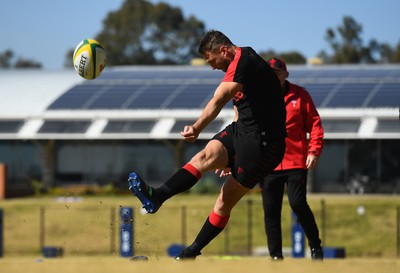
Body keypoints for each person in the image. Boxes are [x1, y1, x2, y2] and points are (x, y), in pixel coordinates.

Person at [127, 30, 287, 260]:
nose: (212, 67)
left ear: (223, 50)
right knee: (204, 157)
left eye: (211, 61)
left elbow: (219, 99)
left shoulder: (245, 61)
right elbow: (239, 108)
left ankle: (190, 253)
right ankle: (157, 196)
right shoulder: (241, 65)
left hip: (265, 144)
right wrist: (231, 153)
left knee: (224, 199)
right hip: (242, 130)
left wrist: (197, 128)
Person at [260, 58, 324, 260]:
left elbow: (315, 124)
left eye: (278, 71)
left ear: (285, 73)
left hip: (296, 161)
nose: (274, 74)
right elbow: (248, 130)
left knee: (297, 203)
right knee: (271, 211)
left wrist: (314, 151)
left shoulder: (300, 94)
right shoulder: (259, 96)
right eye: (271, 72)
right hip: (268, 162)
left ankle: (315, 246)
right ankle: (276, 257)